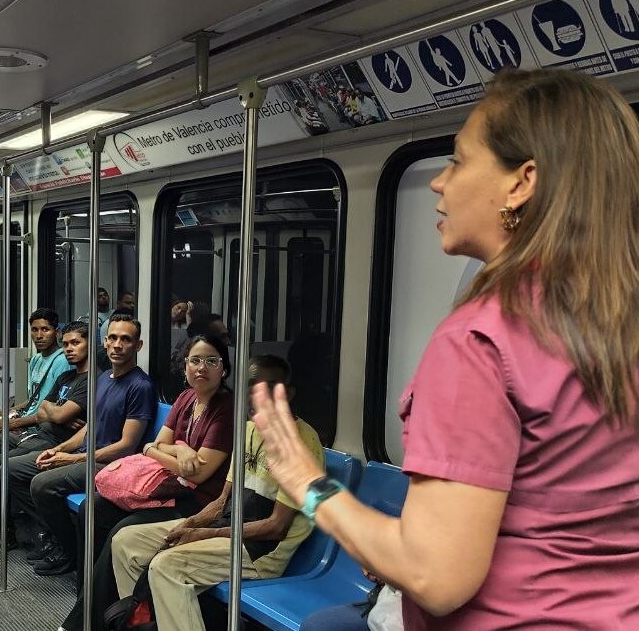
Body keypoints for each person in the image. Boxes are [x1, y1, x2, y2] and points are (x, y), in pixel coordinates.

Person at [249, 69, 639, 629]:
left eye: (458, 161)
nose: (438, 182)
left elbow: (435, 575)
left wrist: (310, 485)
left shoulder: (482, 338)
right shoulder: (616, 319)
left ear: (521, 182)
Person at [100, 355, 322, 631]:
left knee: (168, 567)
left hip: (261, 549)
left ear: (287, 393)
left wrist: (202, 534)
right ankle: (146, 622)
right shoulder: (248, 430)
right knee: (126, 542)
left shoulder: (301, 444)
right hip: (227, 527)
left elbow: (276, 527)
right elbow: (221, 502)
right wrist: (190, 524)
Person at [59, 333, 237, 630]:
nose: (201, 368)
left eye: (211, 361)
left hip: (197, 501)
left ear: (224, 369)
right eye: (195, 360)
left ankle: (89, 621)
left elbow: (199, 474)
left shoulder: (226, 408)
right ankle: (94, 606)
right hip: (166, 487)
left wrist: (158, 450)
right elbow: (156, 445)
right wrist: (180, 449)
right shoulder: (186, 398)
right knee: (93, 509)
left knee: (122, 531)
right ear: (185, 366)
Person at [0, 315, 156, 575]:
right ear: (105, 342)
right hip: (86, 455)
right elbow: (89, 427)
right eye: (113, 338)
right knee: (12, 469)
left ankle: (68, 550)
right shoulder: (104, 379)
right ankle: (52, 536)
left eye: (126, 339)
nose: (118, 345)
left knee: (42, 484)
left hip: (111, 465)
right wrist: (61, 449)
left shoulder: (140, 386)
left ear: (138, 346)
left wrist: (72, 459)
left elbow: (126, 446)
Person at [0, 314, 79, 541]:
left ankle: (0, 518)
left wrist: (12, 422)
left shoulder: (62, 363)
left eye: (45, 329)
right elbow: (37, 403)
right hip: (33, 425)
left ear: (56, 332)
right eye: (35, 330)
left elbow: (50, 412)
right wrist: (3, 413)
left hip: (40, 431)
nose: (39, 335)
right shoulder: (37, 360)